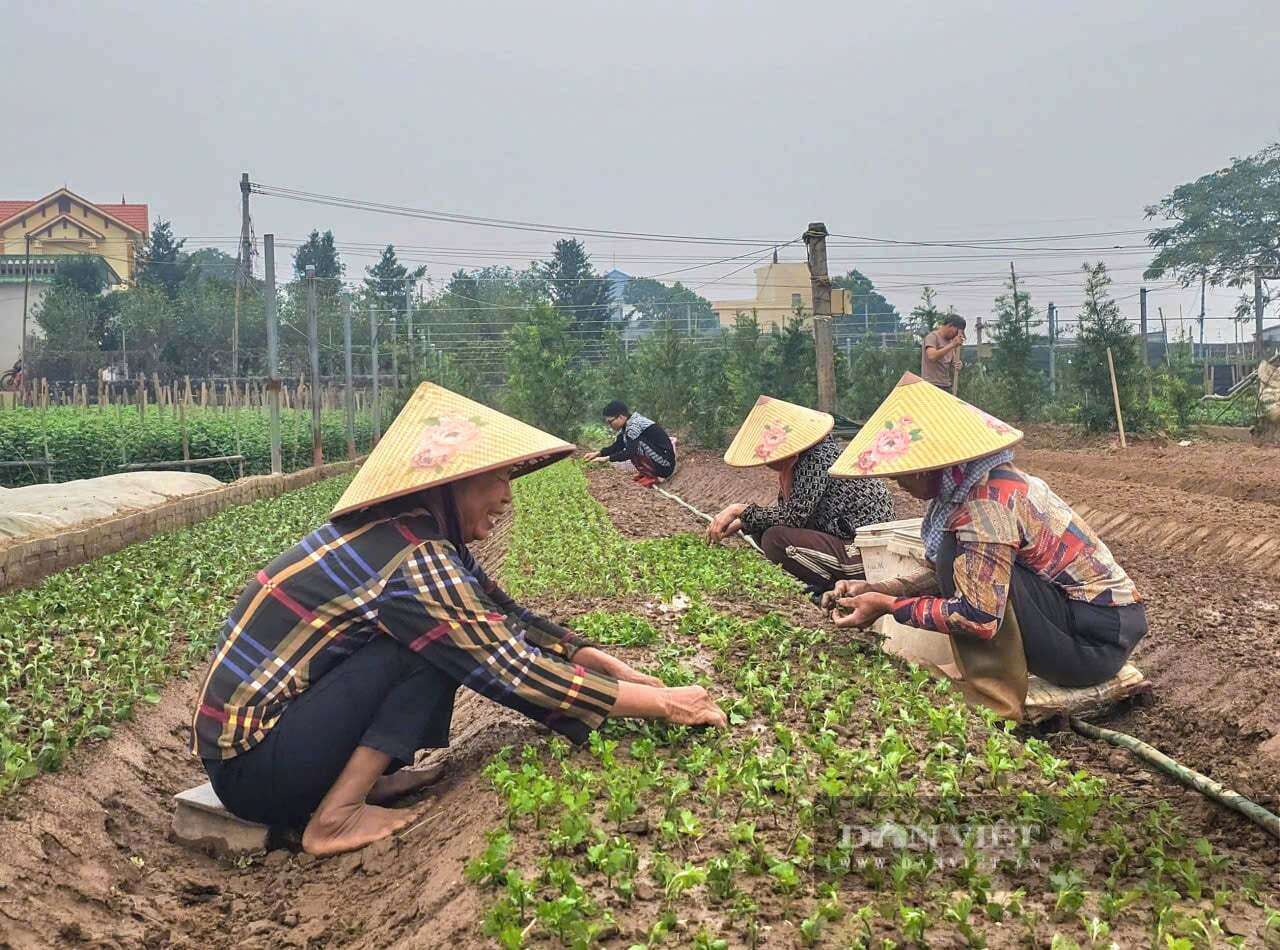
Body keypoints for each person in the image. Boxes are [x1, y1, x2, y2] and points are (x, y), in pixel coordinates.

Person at [191, 383, 726, 856]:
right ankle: (335, 816)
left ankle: (354, 783)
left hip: (268, 744)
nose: (507, 495)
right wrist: (665, 703)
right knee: (427, 648)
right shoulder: (414, 559)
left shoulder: (415, 532)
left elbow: (502, 611)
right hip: (253, 766)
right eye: (497, 477)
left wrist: (589, 655)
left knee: (440, 634)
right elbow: (512, 669)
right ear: (453, 482)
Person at [824, 372, 1147, 720]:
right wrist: (875, 589)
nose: (898, 484)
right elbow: (951, 577)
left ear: (924, 469)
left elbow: (978, 617)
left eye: (900, 475)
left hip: (1093, 644)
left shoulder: (986, 507)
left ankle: (995, 697)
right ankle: (991, 677)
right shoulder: (975, 488)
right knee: (959, 557)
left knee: (957, 554)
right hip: (1092, 627)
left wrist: (888, 605)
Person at [707, 395, 894, 598]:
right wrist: (744, 522)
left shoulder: (817, 458)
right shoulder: (799, 462)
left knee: (774, 538)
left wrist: (739, 511)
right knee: (763, 529)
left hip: (866, 551)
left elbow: (795, 517)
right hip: (841, 536)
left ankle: (837, 589)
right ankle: (824, 584)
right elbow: (789, 512)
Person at [584, 400, 677, 487]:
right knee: (630, 443)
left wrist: (607, 459)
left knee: (636, 445)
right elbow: (618, 446)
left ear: (621, 417)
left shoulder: (634, 426)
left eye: (610, 422)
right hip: (661, 459)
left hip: (665, 465)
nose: (609, 425)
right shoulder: (627, 426)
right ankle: (648, 473)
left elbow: (630, 452)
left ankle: (652, 476)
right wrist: (598, 453)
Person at [921, 315, 966, 393]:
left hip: (945, 385)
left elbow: (953, 363)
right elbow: (932, 356)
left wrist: (958, 364)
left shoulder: (950, 342)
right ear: (950, 326)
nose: (955, 336)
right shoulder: (932, 337)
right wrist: (952, 345)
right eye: (956, 332)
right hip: (931, 385)